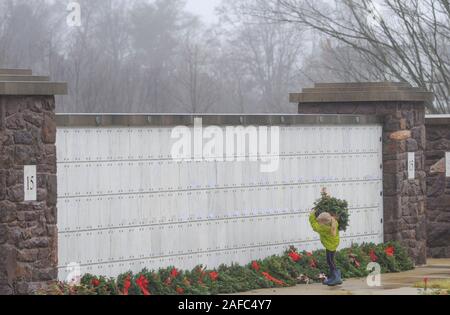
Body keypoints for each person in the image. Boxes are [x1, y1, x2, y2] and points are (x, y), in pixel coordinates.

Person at [309, 210, 343, 286]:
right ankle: (334, 277)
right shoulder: (333, 222)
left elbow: (314, 226)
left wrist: (312, 215)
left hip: (330, 245)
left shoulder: (323, 228)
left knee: (330, 260)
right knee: (331, 260)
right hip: (333, 243)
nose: (318, 222)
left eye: (319, 221)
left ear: (323, 222)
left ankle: (336, 277)